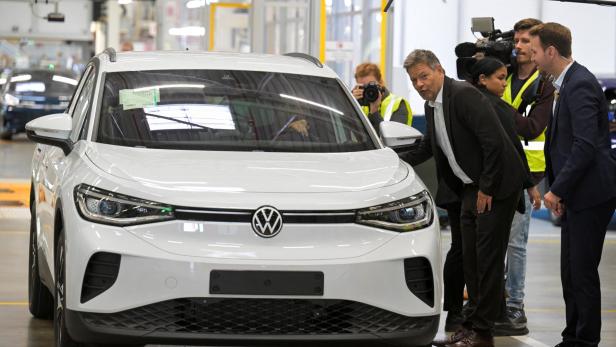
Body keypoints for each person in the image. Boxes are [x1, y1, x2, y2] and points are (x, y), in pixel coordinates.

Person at [399, 49, 527, 347]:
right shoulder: (432, 105)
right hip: (470, 185)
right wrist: (387, 158)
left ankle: (483, 333)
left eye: (423, 76)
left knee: (487, 259)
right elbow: (426, 148)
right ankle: (471, 324)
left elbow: (493, 142)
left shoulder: (464, 95)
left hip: (496, 185)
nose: (419, 84)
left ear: (439, 70)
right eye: (414, 79)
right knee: (470, 257)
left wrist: (487, 189)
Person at [529, 23, 616, 347]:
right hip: (578, 191)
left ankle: (585, 340)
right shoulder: (565, 84)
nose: (532, 57)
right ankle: (572, 335)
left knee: (582, 272)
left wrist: (556, 190)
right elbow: (563, 144)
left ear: (551, 51)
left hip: (592, 193)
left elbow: (584, 146)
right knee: (570, 271)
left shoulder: (579, 84)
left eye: (535, 51)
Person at [496, 18, 555, 336]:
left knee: (516, 243)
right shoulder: (499, 71)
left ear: (539, 46)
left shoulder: (544, 84)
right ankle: (494, 299)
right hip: (496, 167)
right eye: (515, 40)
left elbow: (533, 128)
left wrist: (495, 108)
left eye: (524, 42)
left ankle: (515, 306)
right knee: (493, 241)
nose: (517, 46)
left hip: (528, 172)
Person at [352, 63, 412, 131]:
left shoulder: (398, 104)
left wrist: (374, 111)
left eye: (371, 85)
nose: (368, 91)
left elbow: (391, 137)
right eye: (364, 87)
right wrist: (350, 103)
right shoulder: (358, 104)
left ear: (380, 82)